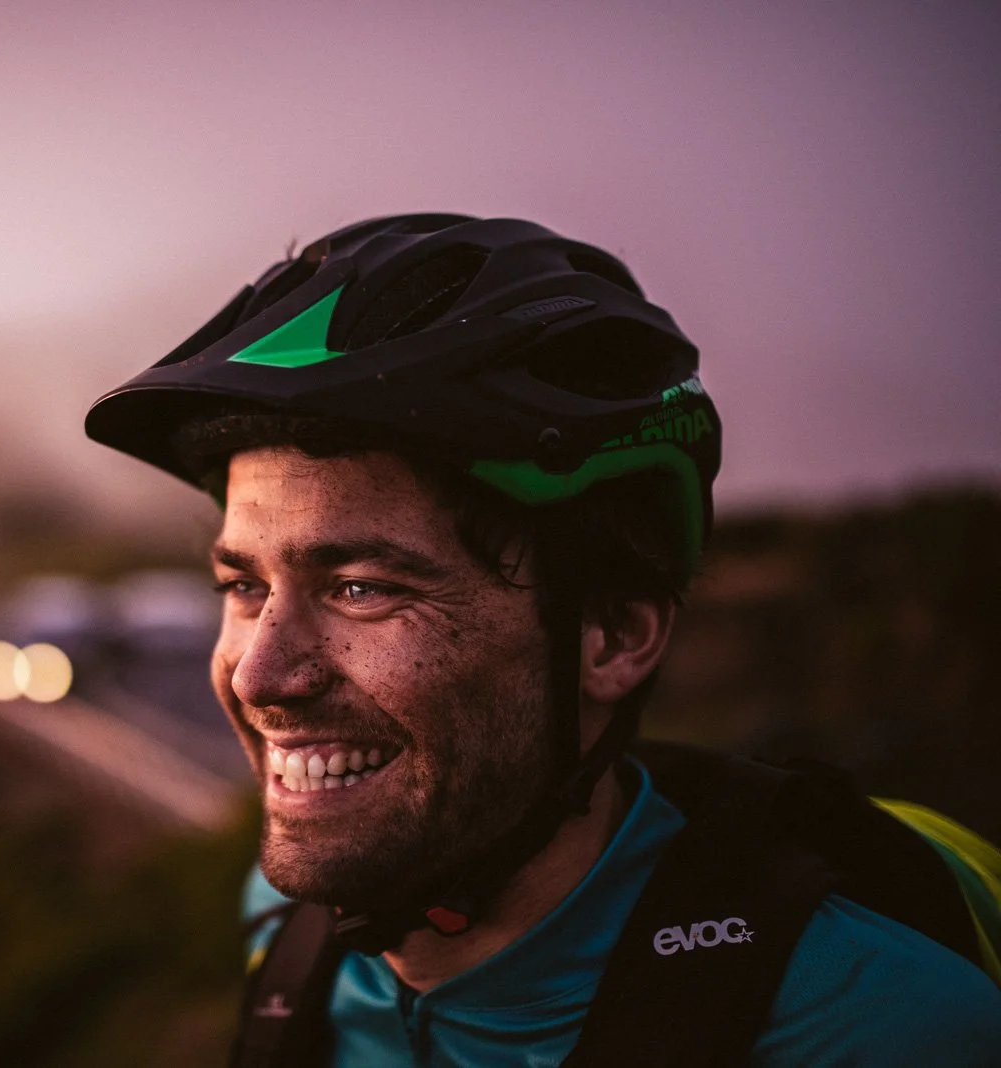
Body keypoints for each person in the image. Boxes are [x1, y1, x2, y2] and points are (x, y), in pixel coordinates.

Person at [84, 214, 1001, 1065]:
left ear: (613, 637)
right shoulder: (290, 923)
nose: (259, 674)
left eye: (363, 589)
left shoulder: (877, 1025)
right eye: (244, 586)